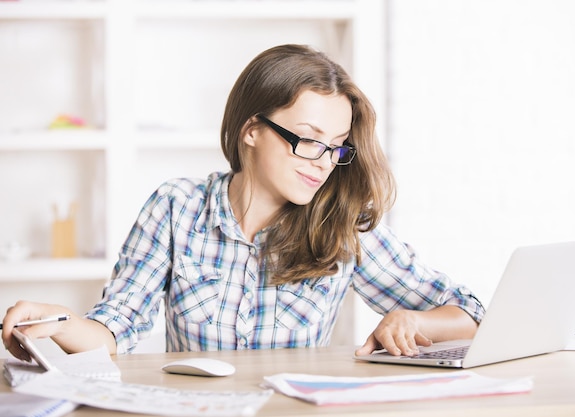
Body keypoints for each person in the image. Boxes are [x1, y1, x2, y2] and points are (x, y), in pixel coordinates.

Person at [2, 44, 484, 362]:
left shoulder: (340, 226)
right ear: (252, 129)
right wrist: (57, 323)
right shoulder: (176, 207)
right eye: (308, 139)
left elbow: (473, 313)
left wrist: (415, 320)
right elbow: (117, 328)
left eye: (335, 145)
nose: (322, 162)